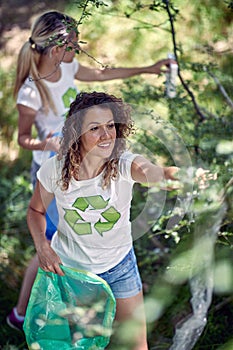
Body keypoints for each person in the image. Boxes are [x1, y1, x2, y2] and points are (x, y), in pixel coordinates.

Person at [6, 10, 176, 332]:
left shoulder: (67, 65)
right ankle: (23, 311)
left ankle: (99, 297)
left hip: (90, 164)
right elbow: (22, 139)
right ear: (57, 47)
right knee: (55, 241)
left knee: (68, 239)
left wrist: (148, 68)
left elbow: (101, 76)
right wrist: (49, 144)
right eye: (74, 42)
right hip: (56, 172)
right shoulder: (31, 92)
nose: (79, 47)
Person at [26, 91, 180, 350]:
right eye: (95, 128)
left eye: (111, 126)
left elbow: (154, 172)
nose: (106, 135)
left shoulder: (123, 164)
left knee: (136, 344)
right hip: (73, 271)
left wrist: (176, 176)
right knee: (82, 343)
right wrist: (42, 246)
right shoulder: (54, 170)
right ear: (77, 132)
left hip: (119, 267)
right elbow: (35, 211)